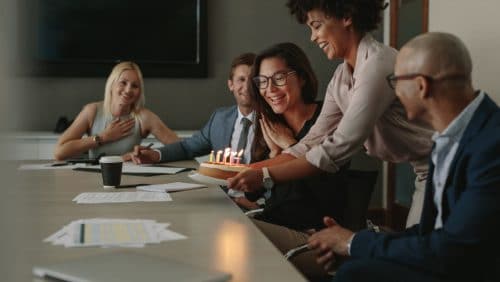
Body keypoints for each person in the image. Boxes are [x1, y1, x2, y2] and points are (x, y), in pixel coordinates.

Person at [309, 32, 500, 282]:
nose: (394, 90)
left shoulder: (492, 144)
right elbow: (426, 234)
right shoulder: (447, 137)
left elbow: (456, 250)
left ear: (421, 86)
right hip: (447, 259)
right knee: (354, 271)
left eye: (395, 80)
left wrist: (353, 242)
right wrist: (355, 246)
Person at [228, 0, 434, 227]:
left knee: (424, 253)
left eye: (316, 26)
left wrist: (265, 175)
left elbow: (337, 148)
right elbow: (309, 143)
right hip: (425, 170)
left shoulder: (378, 64)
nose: (313, 37)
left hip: (448, 163)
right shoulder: (341, 77)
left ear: (346, 15)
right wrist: (238, 172)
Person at [246, 42, 349, 280]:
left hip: (314, 236)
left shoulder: (327, 117)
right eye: (262, 81)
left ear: (301, 78)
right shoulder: (270, 124)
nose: (269, 88)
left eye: (279, 78)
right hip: (277, 224)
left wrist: (290, 146)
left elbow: (322, 188)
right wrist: (275, 155)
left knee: (238, 234)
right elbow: (253, 192)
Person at [131, 53, 258, 208]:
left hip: (257, 206)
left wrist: (259, 204)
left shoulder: (275, 123)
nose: (247, 86)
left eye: (253, 80)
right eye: (241, 79)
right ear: (230, 84)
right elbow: (187, 147)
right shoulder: (220, 118)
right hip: (223, 201)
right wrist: (155, 155)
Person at [54, 61, 179, 161]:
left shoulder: (144, 117)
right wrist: (102, 137)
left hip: (131, 180)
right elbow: (59, 153)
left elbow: (183, 148)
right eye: (123, 83)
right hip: (95, 181)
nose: (128, 90)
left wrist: (151, 154)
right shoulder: (91, 111)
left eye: (135, 86)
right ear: (112, 84)